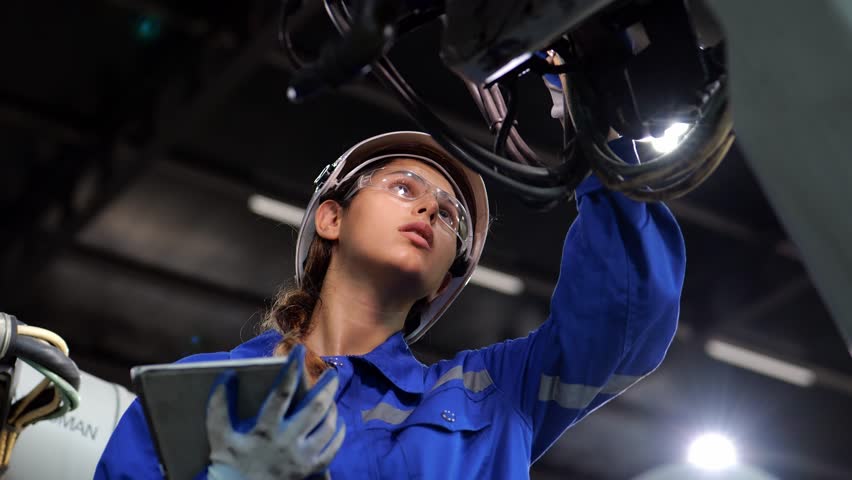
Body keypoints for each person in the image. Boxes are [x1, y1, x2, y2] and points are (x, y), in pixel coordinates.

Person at [95, 130, 685, 479]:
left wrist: (599, 141)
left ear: (440, 284)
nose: (430, 209)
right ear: (331, 217)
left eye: (449, 214)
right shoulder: (199, 394)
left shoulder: (494, 398)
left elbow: (625, 318)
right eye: (404, 187)